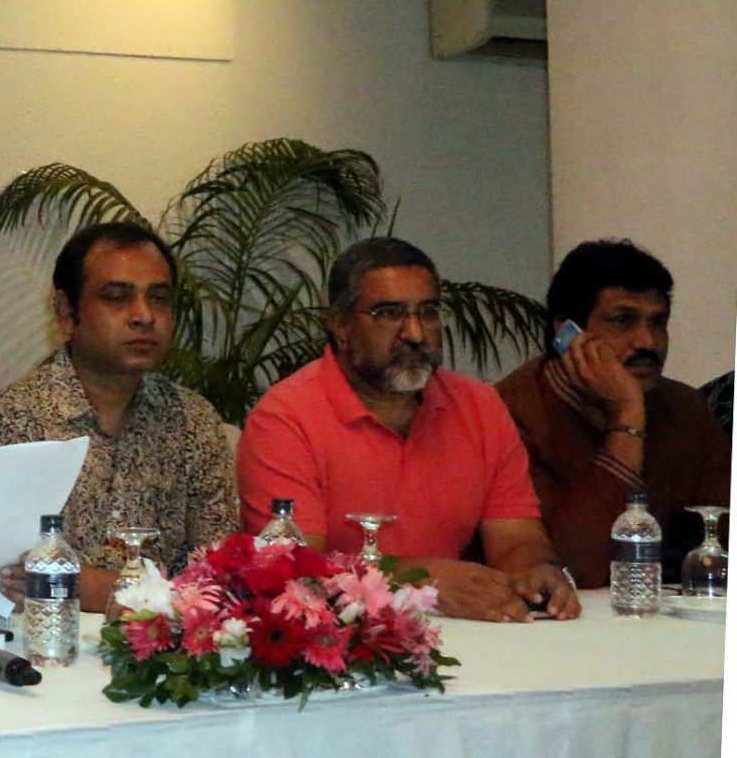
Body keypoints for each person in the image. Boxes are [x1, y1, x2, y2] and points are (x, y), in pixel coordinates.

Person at [237, 237, 579, 622]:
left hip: (470, 634)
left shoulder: (479, 407)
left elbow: (516, 540)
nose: (416, 333)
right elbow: (297, 570)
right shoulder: (285, 418)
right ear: (340, 326)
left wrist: (537, 571)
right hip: (345, 646)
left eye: (428, 312)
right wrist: (421, 580)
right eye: (388, 313)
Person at [0, 222, 236, 612]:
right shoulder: (18, 417)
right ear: (67, 312)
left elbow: (219, 579)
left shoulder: (194, 421)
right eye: (117, 297)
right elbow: (13, 575)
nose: (144, 316)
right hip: (46, 651)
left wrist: (97, 587)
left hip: (161, 657)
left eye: (160, 298)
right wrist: (138, 593)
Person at [496, 240, 729, 586]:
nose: (647, 342)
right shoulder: (507, 414)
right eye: (623, 321)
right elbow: (579, 569)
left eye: (658, 322)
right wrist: (626, 415)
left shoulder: (684, 408)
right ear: (566, 333)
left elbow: (722, 530)